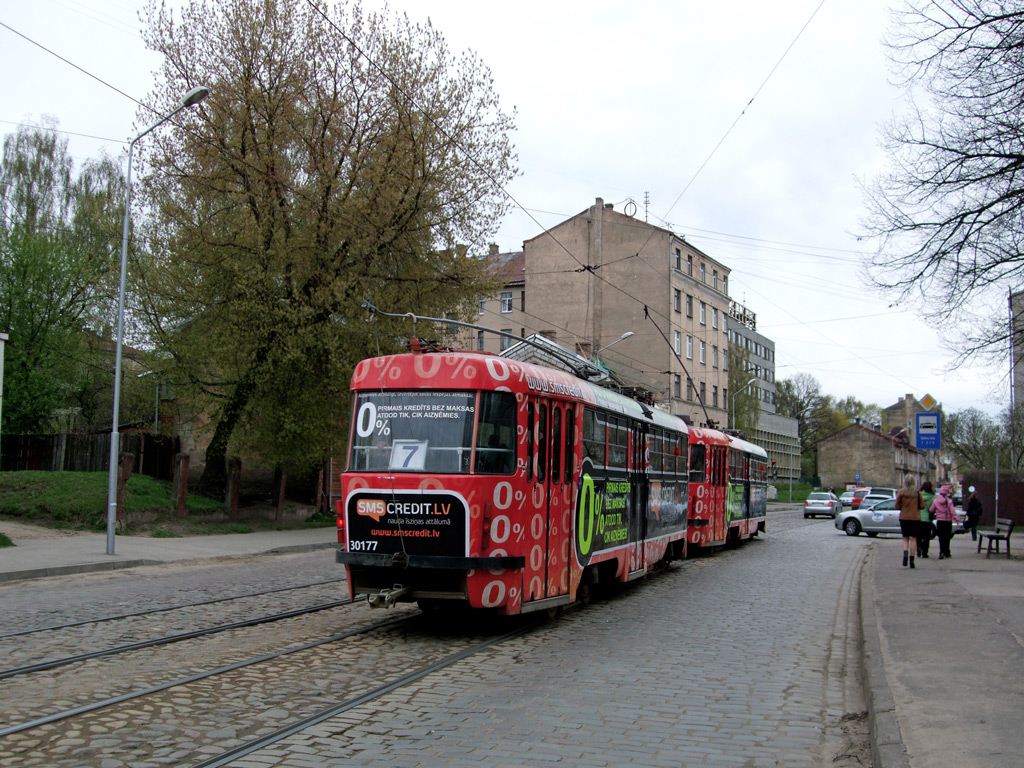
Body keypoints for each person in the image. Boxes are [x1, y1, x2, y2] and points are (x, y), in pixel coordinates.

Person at [895, 475, 924, 568]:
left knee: (905, 538)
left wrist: (903, 507)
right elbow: (922, 505)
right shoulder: (917, 493)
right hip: (915, 518)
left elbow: (897, 506)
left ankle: (905, 553)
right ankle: (912, 559)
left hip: (904, 517)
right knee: (914, 539)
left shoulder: (901, 492)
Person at [931, 485, 957, 559]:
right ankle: (947, 552)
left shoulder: (936, 501)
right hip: (948, 521)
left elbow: (931, 509)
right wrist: (956, 519)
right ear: (946, 493)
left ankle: (941, 552)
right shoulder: (949, 501)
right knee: (947, 537)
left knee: (941, 537)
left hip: (940, 521)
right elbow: (952, 511)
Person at [918, 480, 936, 558]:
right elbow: (933, 508)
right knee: (926, 537)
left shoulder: (919, 495)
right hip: (928, 519)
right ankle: (925, 553)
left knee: (918, 536)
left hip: (918, 518)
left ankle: (919, 546)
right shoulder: (933, 496)